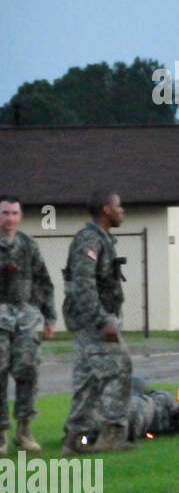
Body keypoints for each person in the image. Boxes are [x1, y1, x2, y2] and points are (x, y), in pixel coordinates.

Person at [61, 190, 135, 454]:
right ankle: (111, 435)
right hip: (93, 322)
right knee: (121, 367)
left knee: (89, 378)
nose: (122, 210)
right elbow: (82, 284)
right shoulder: (90, 239)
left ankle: (74, 441)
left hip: (92, 320)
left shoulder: (102, 239)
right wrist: (103, 321)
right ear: (106, 210)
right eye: (118, 206)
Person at [0, 196, 56, 454]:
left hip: (25, 318)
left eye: (13, 213)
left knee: (28, 371)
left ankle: (24, 432)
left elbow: (44, 282)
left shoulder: (29, 246)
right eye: (4, 213)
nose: (9, 218)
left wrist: (49, 318)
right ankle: (1, 434)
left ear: (20, 216)